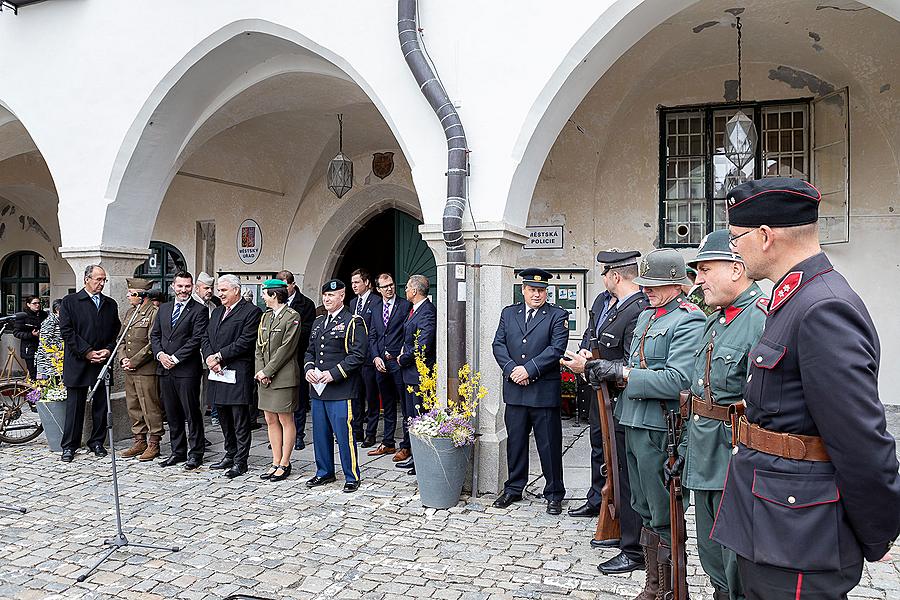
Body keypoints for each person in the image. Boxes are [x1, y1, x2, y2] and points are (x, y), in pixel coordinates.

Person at [712, 178, 900, 600]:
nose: (734, 250)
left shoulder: (822, 306)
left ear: (765, 236)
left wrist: (877, 532)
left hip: (798, 531)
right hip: (773, 515)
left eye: (737, 238)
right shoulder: (791, 300)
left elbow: (860, 440)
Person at [568, 248, 704, 600]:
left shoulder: (688, 319)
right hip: (631, 418)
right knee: (642, 506)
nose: (647, 290)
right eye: (645, 283)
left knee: (663, 511)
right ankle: (653, 584)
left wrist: (623, 373)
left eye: (655, 285)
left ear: (676, 285)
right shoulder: (647, 316)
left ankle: (672, 588)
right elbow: (633, 365)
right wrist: (605, 370)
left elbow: (678, 380)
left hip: (661, 428)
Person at [677, 230, 765, 600]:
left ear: (736, 268)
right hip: (706, 456)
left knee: (736, 564)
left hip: (735, 461)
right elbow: (701, 393)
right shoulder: (717, 319)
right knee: (713, 557)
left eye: (704, 269)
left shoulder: (761, 319)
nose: (697, 280)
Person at [569, 250, 648, 577]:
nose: (604, 279)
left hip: (622, 401)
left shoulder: (636, 309)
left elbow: (630, 364)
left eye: (605, 273)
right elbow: (600, 339)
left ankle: (632, 547)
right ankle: (621, 534)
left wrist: (587, 365)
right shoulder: (610, 304)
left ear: (615, 275)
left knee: (627, 476)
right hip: (606, 399)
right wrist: (591, 356)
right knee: (611, 465)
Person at [491, 268, 569, 514]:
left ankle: (554, 493)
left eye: (541, 290)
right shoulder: (509, 313)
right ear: (523, 290)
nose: (537, 294)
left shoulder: (557, 315)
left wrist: (529, 370)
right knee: (515, 443)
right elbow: (498, 344)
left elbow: (556, 349)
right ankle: (514, 488)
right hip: (515, 389)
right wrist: (513, 369)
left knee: (549, 445)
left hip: (542, 392)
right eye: (532, 290)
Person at [303, 279, 366, 492]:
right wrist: (309, 369)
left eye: (332, 295)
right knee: (320, 434)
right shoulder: (319, 321)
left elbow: (357, 356)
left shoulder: (353, 321)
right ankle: (324, 472)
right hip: (319, 389)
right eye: (325, 296)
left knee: (344, 434)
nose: (327, 299)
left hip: (340, 389)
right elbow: (310, 350)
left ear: (342, 296)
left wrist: (333, 374)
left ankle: (351, 476)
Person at [57, 265, 121, 462]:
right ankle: (69, 445)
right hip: (78, 361)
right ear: (86, 279)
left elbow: (115, 332)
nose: (101, 283)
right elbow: (67, 332)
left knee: (101, 405)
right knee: (75, 406)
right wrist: (87, 352)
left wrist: (108, 349)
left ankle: (97, 442)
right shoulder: (70, 302)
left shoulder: (110, 304)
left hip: (102, 361)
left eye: (104, 280)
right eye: (98, 279)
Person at [203, 274, 263, 478]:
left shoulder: (251, 311)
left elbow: (245, 341)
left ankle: (241, 460)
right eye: (219, 290)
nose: (219, 294)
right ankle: (229, 453)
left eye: (223, 290)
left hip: (236, 372)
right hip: (217, 373)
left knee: (239, 419)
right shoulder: (218, 311)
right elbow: (206, 337)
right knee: (222, 416)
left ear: (236, 290)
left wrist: (219, 356)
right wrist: (210, 358)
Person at [151, 271, 210, 469]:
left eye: (187, 286)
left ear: (192, 287)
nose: (183, 290)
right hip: (165, 369)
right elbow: (155, 336)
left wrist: (175, 358)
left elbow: (196, 339)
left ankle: (196, 453)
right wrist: (160, 355)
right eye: (180, 286)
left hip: (186, 369)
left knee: (191, 413)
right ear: (173, 287)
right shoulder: (164, 309)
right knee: (172, 412)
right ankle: (178, 452)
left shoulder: (199, 310)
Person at [255, 279, 301, 482]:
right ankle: (275, 461)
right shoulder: (265, 317)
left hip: (282, 377)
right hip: (265, 377)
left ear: (274, 295)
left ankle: (285, 462)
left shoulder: (292, 316)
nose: (263, 297)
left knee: (285, 419)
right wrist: (260, 372)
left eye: (265, 293)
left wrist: (268, 371)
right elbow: (259, 347)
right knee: (270, 419)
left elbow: (286, 349)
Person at [118, 278, 165, 461]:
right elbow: (121, 339)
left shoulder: (154, 313)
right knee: (133, 405)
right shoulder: (130, 312)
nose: (128, 297)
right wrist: (123, 359)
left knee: (150, 406)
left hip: (145, 369)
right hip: (129, 368)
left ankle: (154, 442)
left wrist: (134, 361)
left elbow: (153, 343)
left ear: (141, 295)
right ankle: (139, 440)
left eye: (131, 294)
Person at [366, 272, 412, 457]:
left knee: (406, 405)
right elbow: (373, 336)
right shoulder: (376, 308)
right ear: (378, 289)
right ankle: (388, 442)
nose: (389, 288)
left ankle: (407, 445)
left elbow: (408, 333)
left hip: (398, 363)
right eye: (385, 286)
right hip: (380, 364)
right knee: (388, 403)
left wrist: (398, 354)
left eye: (391, 284)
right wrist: (376, 357)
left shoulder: (404, 305)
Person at [395, 274, 436, 475]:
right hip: (410, 373)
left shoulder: (427, 312)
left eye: (408, 288)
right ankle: (415, 457)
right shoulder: (415, 310)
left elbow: (424, 345)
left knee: (419, 417)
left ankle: (421, 460)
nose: (405, 291)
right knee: (412, 416)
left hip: (418, 374)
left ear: (415, 291)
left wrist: (403, 358)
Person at [276, 269, 316, 451]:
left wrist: (288, 337)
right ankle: (280, 435)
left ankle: (298, 435)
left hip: (297, 356)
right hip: (278, 359)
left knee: (298, 398)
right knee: (279, 399)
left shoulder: (306, 304)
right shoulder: (274, 304)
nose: (282, 290)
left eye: (285, 286)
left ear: (292, 285)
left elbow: (307, 330)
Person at [349, 268, 379, 447]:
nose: (354, 286)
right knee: (356, 396)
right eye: (352, 283)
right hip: (355, 357)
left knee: (372, 397)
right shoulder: (353, 303)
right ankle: (357, 431)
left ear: (367, 283)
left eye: (357, 282)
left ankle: (371, 433)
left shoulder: (376, 301)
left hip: (369, 357)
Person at [193, 271, 221, 423]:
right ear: (197, 288)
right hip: (193, 356)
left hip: (210, 356)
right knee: (194, 396)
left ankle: (201, 432)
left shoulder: (213, 306)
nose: (210, 291)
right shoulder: (190, 305)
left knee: (206, 394)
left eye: (211, 288)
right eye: (206, 288)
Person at [13, 295, 48, 379]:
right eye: (34, 303)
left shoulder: (44, 314)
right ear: (28, 304)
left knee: (45, 373)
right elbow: (16, 333)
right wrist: (31, 335)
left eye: (39, 303)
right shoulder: (23, 316)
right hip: (29, 348)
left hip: (43, 347)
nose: (37, 305)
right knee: (33, 374)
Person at [35, 299, 63, 379]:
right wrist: (58, 350)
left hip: (58, 357)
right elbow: (45, 341)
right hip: (48, 359)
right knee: (51, 383)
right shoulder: (50, 321)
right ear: (57, 310)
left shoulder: (60, 321)